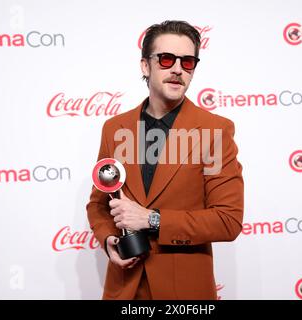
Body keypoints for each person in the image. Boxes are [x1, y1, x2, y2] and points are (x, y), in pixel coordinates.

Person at [86, 20, 244, 300]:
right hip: (124, 289)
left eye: (188, 62)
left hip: (184, 292)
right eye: (167, 59)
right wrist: (109, 240)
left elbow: (227, 220)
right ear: (145, 66)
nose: (177, 69)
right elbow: (100, 203)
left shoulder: (214, 132)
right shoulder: (115, 129)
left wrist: (153, 219)